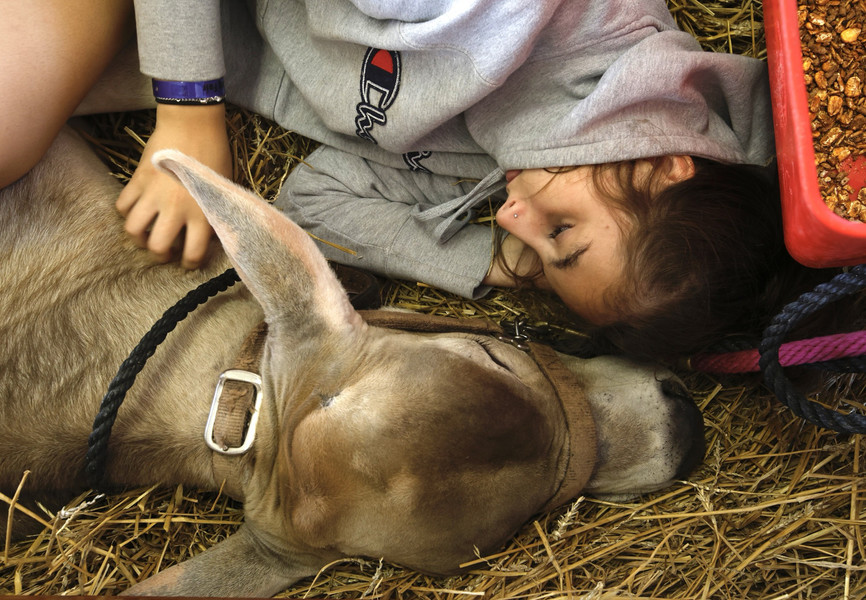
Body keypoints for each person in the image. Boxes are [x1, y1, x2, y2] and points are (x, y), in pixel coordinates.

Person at [0, 0, 818, 359]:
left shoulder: (528, 165)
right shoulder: (498, 15)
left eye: (540, 261)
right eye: (563, 236)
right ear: (662, 163)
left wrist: (499, 269)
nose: (510, 224)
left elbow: (316, 201)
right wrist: (188, 110)